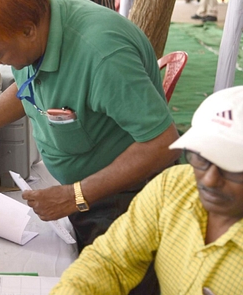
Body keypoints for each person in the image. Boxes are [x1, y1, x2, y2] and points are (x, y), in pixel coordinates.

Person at [0, 0, 179, 293]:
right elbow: (26, 85)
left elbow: (164, 142)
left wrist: (77, 195)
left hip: (125, 198)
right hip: (85, 189)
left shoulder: (102, 56)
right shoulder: (37, 24)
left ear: (29, 31)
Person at [52, 86, 243, 294]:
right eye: (202, 158)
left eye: (231, 167)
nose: (209, 179)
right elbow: (111, 261)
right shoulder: (173, 188)